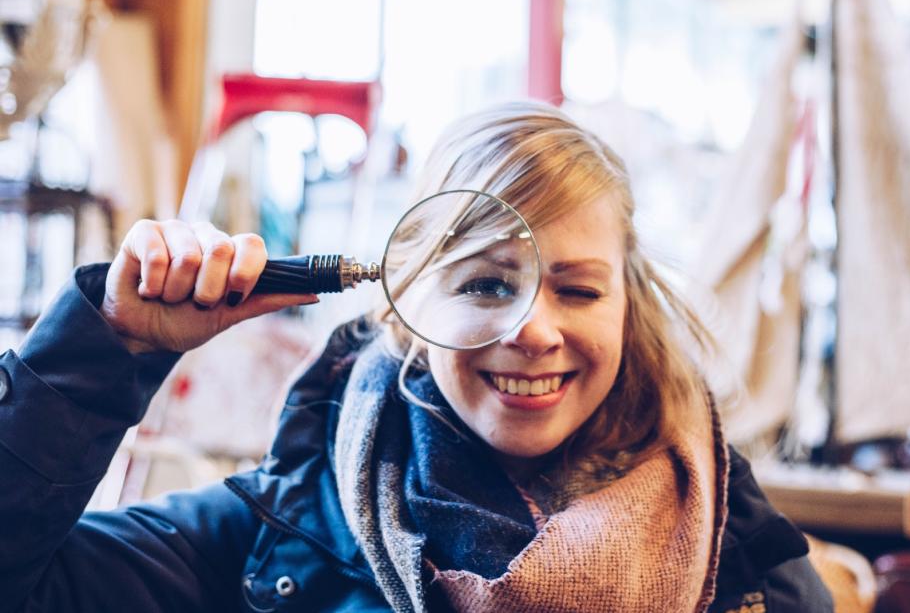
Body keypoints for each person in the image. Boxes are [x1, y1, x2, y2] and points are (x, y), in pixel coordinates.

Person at [0, 103, 832, 612]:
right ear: (407, 310)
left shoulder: (749, 566)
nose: (533, 329)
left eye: (577, 289)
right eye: (482, 285)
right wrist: (104, 345)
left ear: (628, 303)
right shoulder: (271, 540)